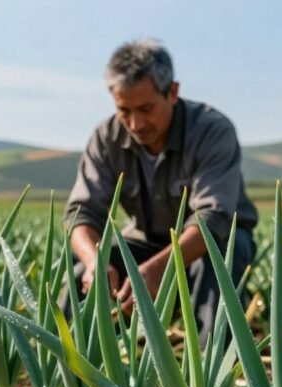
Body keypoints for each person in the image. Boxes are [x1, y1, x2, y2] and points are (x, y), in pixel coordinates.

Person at [64, 39, 258, 340]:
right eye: (123, 110)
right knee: (79, 280)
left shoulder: (211, 130)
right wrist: (93, 263)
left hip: (214, 242)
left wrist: (157, 270)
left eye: (146, 108)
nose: (135, 123)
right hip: (145, 241)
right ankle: (69, 379)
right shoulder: (106, 138)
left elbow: (213, 218)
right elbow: (81, 212)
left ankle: (212, 374)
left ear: (173, 92)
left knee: (217, 266)